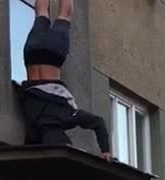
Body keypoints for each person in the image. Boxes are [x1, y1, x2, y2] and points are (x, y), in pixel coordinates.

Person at [19, 0, 112, 161]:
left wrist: (106, 150)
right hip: (32, 55)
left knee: (64, 16)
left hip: (53, 57)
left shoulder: (67, 115)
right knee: (41, 14)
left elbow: (98, 122)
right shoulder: (34, 121)